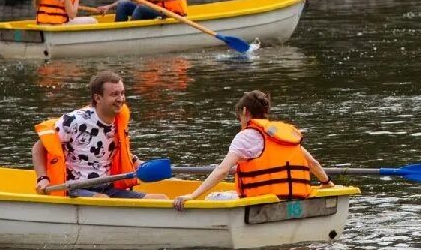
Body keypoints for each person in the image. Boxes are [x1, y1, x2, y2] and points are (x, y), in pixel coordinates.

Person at [173, 90, 332, 208]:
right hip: (293, 201)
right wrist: (327, 183)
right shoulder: (282, 135)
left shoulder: (246, 136)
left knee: (212, 197)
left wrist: (193, 195)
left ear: (244, 112)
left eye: (239, 117)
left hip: (260, 205)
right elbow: (313, 163)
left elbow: (222, 170)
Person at [32, 70, 167, 199]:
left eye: (122, 93)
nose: (120, 99)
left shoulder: (118, 120)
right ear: (98, 98)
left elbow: (113, 152)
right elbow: (39, 147)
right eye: (114, 94)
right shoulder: (74, 121)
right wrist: (43, 178)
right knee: (103, 200)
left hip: (107, 187)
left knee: (161, 198)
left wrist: (144, 165)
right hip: (75, 188)